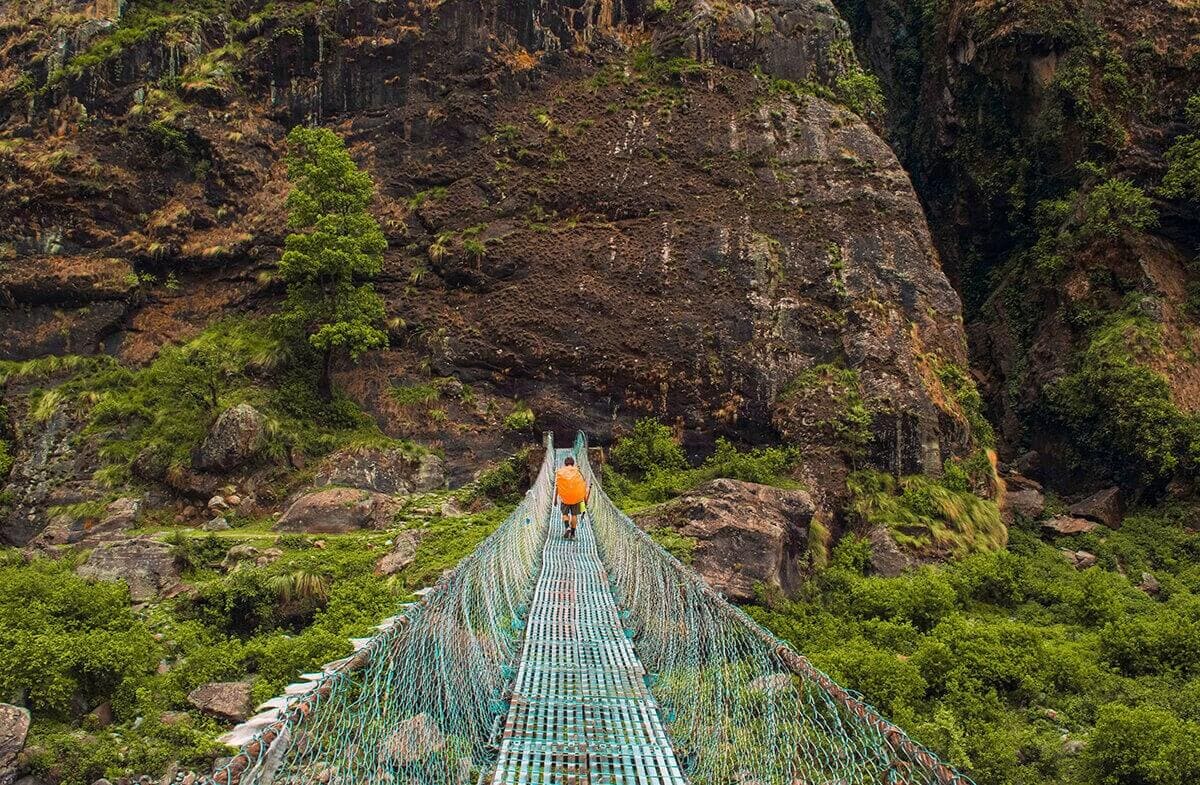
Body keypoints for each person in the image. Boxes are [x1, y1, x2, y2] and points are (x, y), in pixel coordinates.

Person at [555, 456, 588, 540]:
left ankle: (567, 527)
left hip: (565, 497)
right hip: (576, 497)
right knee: (574, 515)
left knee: (565, 514)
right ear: (573, 464)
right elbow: (583, 485)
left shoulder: (560, 472)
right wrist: (584, 499)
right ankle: (573, 534)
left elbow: (558, 486)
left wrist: (555, 499)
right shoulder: (577, 471)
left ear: (565, 464)